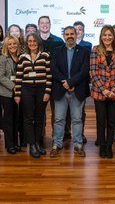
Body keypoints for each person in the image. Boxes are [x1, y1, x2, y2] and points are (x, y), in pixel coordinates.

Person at [50, 26, 90, 157]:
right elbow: (53, 68)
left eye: (72, 33)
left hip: (77, 90)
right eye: (67, 34)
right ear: (64, 36)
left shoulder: (84, 51)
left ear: (76, 34)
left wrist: (71, 83)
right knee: (59, 119)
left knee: (77, 119)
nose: (69, 36)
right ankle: (57, 144)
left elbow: (84, 71)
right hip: (61, 89)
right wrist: (65, 82)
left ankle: (78, 145)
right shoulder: (56, 51)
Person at [14, 33, 52, 158]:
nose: (32, 43)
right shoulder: (22, 58)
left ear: (38, 42)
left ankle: (37, 142)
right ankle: (31, 145)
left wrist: (47, 91)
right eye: (29, 41)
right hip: (26, 90)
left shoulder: (45, 56)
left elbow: (49, 76)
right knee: (28, 118)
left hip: (41, 90)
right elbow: (18, 77)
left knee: (40, 118)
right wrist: (18, 94)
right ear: (27, 43)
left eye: (34, 41)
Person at [90, 25, 115, 158]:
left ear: (114, 37)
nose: (107, 37)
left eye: (110, 35)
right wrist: (104, 90)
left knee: (112, 121)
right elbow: (93, 72)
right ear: (101, 36)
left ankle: (109, 146)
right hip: (99, 93)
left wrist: (114, 90)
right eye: (105, 35)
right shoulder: (95, 50)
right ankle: (102, 146)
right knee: (101, 121)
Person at [38, 16, 64, 145]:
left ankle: (56, 136)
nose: (44, 25)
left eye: (47, 23)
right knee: (40, 111)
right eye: (42, 23)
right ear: (38, 25)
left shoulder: (58, 41)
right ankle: (40, 134)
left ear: (50, 24)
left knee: (57, 112)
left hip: (55, 82)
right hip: (38, 82)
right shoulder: (33, 41)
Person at [0, 36, 20, 154]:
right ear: (6, 46)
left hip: (19, 93)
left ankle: (16, 142)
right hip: (6, 93)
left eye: (14, 44)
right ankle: (9, 144)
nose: (12, 46)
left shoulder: (21, 57)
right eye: (9, 44)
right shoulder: (3, 58)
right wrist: (13, 86)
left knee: (16, 118)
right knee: (9, 119)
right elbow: (0, 76)